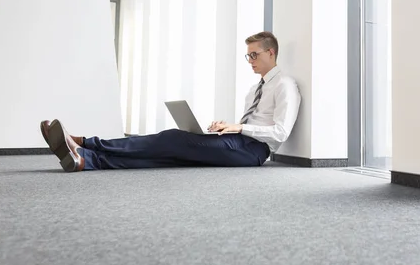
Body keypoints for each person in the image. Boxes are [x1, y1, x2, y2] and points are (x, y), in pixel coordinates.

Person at [40, 31, 301, 172]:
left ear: (271, 52)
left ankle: (86, 143)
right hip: (239, 142)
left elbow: (281, 133)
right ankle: (86, 160)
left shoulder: (285, 85)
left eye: (254, 54)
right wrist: (227, 127)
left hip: (253, 151)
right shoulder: (255, 89)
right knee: (172, 155)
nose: (251, 60)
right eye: (248, 56)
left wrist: (239, 128)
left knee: (171, 139)